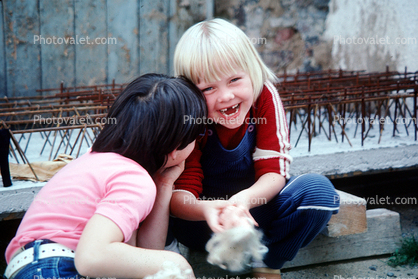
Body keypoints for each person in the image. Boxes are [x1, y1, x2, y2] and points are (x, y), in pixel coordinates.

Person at [168, 18, 340, 278]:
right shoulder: (190, 116)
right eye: (209, 88)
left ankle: (269, 263)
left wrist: (243, 202)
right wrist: (216, 210)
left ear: (253, 71)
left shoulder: (265, 97)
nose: (225, 96)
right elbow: (180, 197)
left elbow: (273, 172)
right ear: (190, 92)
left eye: (235, 79)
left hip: (256, 208)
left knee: (319, 193)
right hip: (204, 221)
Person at [4, 74, 207, 279]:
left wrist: (164, 184)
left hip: (27, 267)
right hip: (55, 268)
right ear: (175, 148)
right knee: (176, 267)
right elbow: (92, 257)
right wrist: (175, 262)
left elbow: (144, 256)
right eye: (196, 137)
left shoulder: (94, 160)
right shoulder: (133, 179)